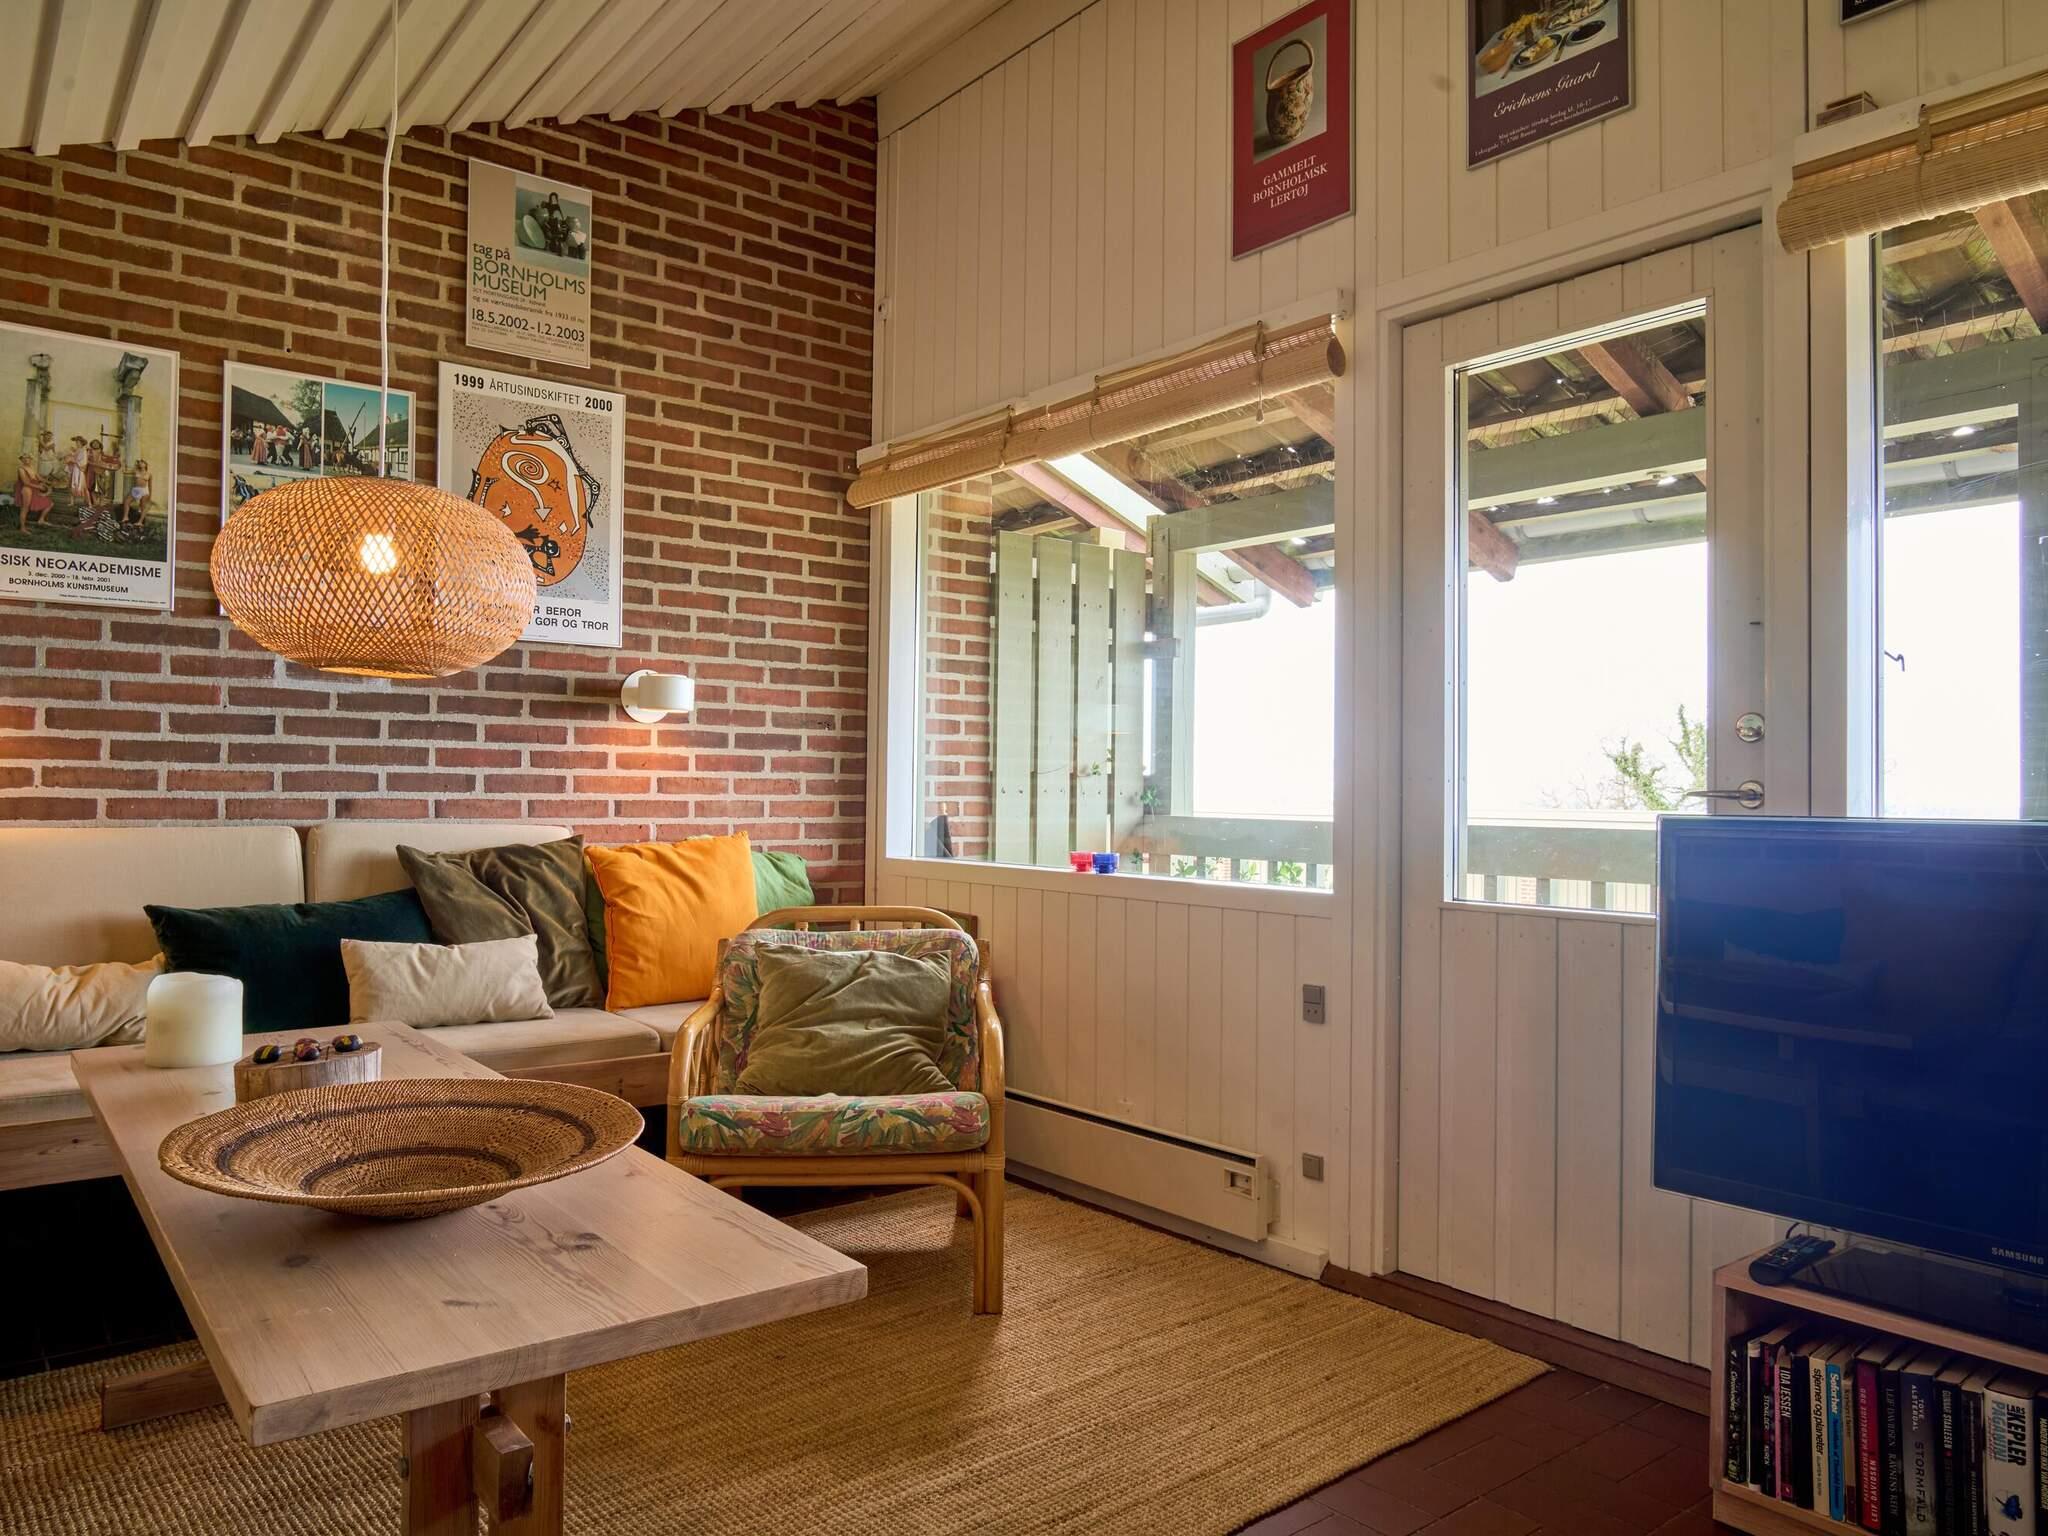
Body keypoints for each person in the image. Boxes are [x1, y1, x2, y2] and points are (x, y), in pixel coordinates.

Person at [14, 454, 52, 532]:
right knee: (25, 508)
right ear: (21, 460)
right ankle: (22, 528)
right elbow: (26, 482)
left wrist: (49, 482)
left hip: (34, 489)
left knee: (49, 503)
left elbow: (39, 478)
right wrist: (39, 487)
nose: (26, 460)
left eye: (28, 458)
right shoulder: (21, 469)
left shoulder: (32, 467)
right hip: (26, 489)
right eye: (24, 458)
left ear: (30, 459)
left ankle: (41, 520)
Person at [124, 459, 151, 528]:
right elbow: (125, 471)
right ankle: (125, 517)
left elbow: (150, 485)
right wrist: (124, 463)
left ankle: (140, 522)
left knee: (143, 506)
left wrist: (150, 495)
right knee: (127, 501)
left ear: (145, 464)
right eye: (140, 463)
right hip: (136, 489)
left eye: (142, 462)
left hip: (144, 490)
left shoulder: (149, 474)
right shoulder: (136, 471)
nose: (141, 464)